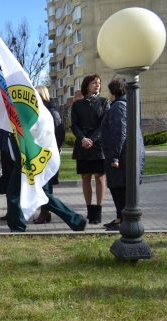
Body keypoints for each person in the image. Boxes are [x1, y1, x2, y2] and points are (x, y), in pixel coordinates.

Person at [100, 76, 145, 231]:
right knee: (120, 188)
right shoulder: (129, 104)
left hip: (122, 157)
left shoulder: (119, 106)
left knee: (119, 188)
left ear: (114, 91)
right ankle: (120, 218)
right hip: (127, 155)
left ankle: (123, 221)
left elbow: (119, 133)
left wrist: (113, 156)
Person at [71, 74, 110, 224]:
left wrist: (92, 139)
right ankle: (90, 210)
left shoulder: (105, 102)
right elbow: (74, 125)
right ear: (87, 85)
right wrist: (82, 139)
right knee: (85, 177)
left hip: (98, 146)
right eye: (94, 82)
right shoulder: (77, 104)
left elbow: (104, 125)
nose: (97, 85)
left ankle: (98, 211)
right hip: (82, 146)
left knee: (100, 177)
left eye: (99, 83)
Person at [33, 86, 67, 224]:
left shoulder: (51, 112)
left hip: (47, 155)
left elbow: (60, 132)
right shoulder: (42, 110)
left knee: (45, 186)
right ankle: (45, 212)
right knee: (42, 185)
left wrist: (52, 149)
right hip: (40, 155)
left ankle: (46, 212)